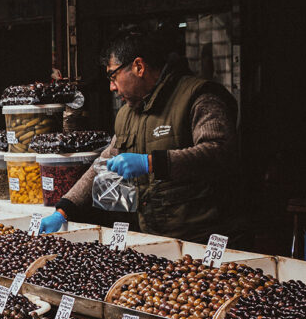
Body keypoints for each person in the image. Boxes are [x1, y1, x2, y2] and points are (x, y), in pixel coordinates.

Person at [40, 29, 240, 243]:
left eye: (113, 76)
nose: (111, 87)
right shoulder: (129, 112)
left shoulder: (198, 97)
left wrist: (152, 163)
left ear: (138, 67)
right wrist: (64, 209)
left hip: (201, 238)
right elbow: (104, 162)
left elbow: (219, 152)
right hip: (151, 236)